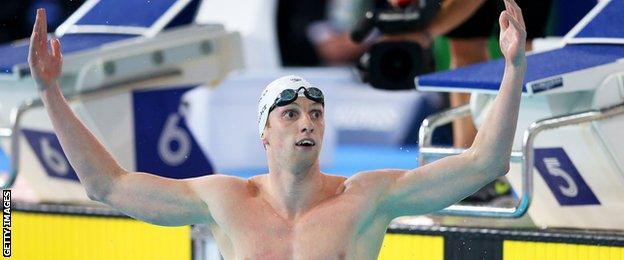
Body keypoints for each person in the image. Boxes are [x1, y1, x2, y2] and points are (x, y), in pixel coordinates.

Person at [28, 0, 526, 257]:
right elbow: (106, 185)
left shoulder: (367, 198)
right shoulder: (225, 201)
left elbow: (485, 163)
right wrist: (51, 92)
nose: (306, 121)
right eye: (290, 113)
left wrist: (513, 69)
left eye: (315, 112)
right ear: (263, 132)